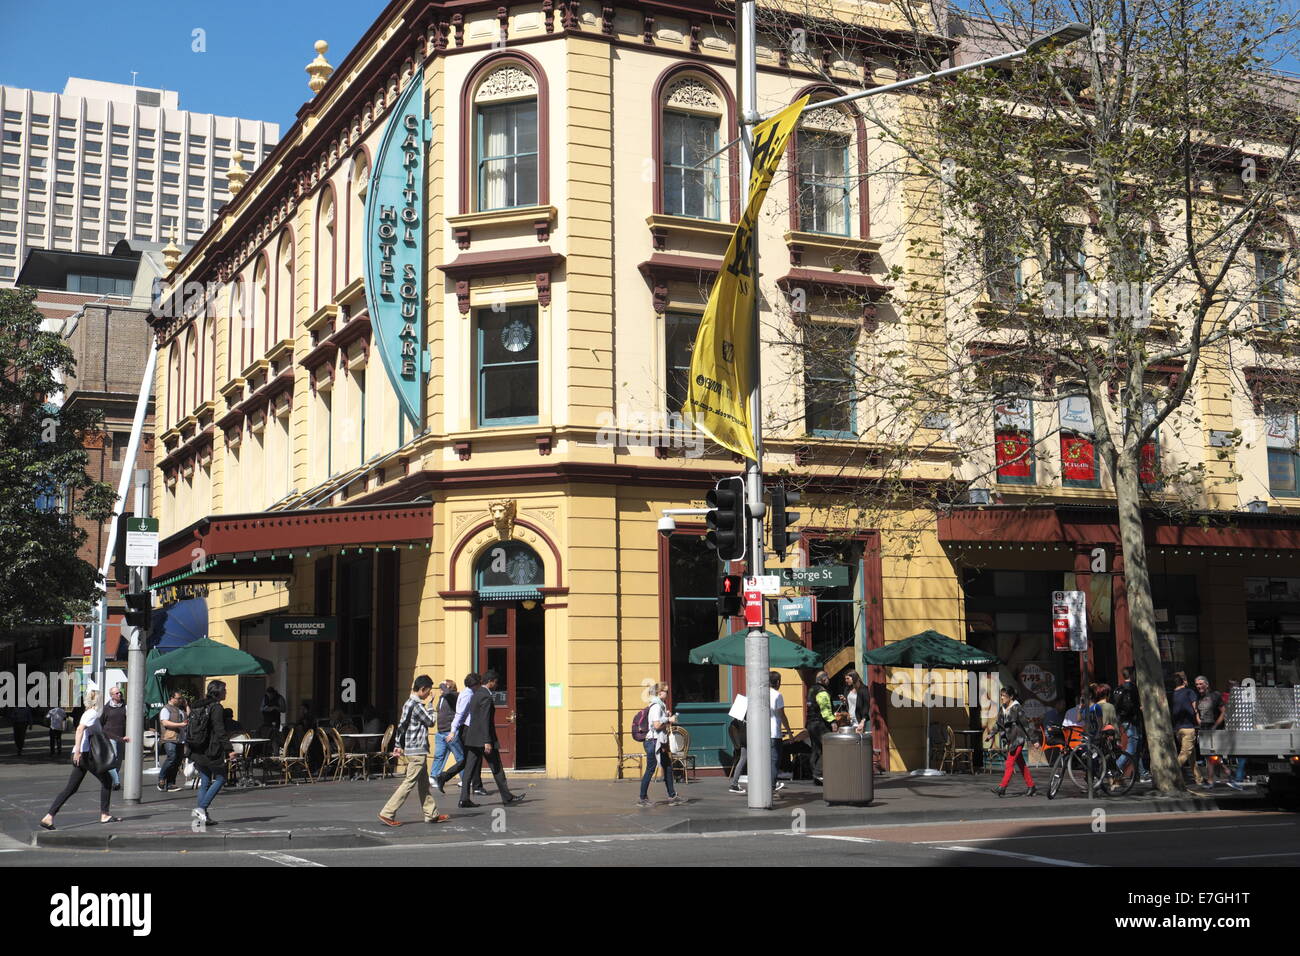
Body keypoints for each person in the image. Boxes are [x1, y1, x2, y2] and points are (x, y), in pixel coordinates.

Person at [39, 690, 123, 829]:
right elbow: (79, 730)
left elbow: (98, 732)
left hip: (81, 755)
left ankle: (49, 817)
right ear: (97, 701)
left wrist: (119, 738)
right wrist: (78, 751)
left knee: (71, 788)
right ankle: (105, 815)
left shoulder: (87, 713)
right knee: (107, 781)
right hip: (85, 755)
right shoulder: (92, 714)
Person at [378, 675, 449, 827]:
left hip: (413, 749)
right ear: (422, 689)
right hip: (417, 751)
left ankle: (432, 814)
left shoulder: (408, 703)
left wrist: (398, 744)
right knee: (409, 783)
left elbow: (402, 725)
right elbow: (430, 721)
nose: (428, 694)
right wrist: (430, 705)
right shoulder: (417, 705)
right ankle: (387, 812)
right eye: (428, 691)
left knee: (423, 784)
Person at [459, 671, 524, 809]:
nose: (496, 685)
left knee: (469, 769)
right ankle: (507, 798)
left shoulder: (476, 694)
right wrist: (487, 741)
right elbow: (485, 720)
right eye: (496, 682)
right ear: (491, 681)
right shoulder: (486, 697)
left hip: (472, 738)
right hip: (484, 739)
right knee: (497, 768)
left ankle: (464, 799)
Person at [728, 673, 793, 795]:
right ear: (777, 682)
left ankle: (737, 783)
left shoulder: (755, 694)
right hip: (765, 733)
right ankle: (769, 785)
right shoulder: (775, 695)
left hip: (752, 732)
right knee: (771, 759)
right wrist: (789, 732)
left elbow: (738, 713)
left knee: (749, 758)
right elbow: (781, 715)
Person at [190, 680, 236, 826]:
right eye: (224, 690)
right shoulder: (216, 707)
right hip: (211, 750)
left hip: (197, 748)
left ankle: (202, 817)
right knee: (221, 778)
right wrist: (229, 749)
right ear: (217, 692)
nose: (226, 692)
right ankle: (201, 808)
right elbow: (219, 730)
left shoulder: (198, 705)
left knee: (205, 781)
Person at [434, 673, 487, 796]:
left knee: (472, 758)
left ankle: (472, 787)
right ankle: (446, 777)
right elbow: (460, 714)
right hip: (467, 730)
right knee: (471, 759)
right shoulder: (467, 695)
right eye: (479, 683)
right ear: (474, 685)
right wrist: (453, 731)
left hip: (469, 729)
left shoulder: (467, 693)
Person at [637, 682, 683, 807]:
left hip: (658, 742)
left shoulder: (660, 706)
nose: (667, 694)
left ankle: (672, 795)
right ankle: (642, 798)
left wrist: (666, 716)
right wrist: (669, 719)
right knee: (651, 769)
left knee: (667, 767)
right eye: (666, 691)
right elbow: (656, 725)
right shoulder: (656, 706)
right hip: (653, 742)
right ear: (659, 693)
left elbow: (658, 723)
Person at [989, 688, 1036, 797]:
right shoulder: (1003, 708)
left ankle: (1002, 787)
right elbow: (998, 724)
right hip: (1011, 740)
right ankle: (1031, 786)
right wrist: (991, 734)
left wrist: (1034, 740)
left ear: (1011, 697)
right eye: (1001, 695)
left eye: (1004, 696)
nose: (1001, 698)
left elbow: (1026, 725)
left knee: (1009, 763)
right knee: (1021, 764)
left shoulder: (1017, 708)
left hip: (1018, 739)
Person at [428, 679, 466, 791]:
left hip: (451, 732)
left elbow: (448, 693)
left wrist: (442, 685)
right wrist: (431, 701)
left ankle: (466, 779)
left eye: (444, 685)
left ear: (449, 687)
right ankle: (434, 777)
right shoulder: (442, 697)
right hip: (440, 732)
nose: (441, 688)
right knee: (439, 755)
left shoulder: (454, 696)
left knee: (459, 757)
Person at [1170, 671, 1203, 787]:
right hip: (1189, 728)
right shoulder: (1189, 692)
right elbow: (1195, 709)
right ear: (1184, 681)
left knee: (1191, 755)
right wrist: (1199, 720)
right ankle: (1170, 773)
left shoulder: (1173, 694)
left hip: (1178, 730)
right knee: (1185, 753)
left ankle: (1198, 779)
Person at [1113, 667, 1146, 780]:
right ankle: (1116, 767)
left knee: (1136, 747)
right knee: (1131, 748)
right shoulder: (1133, 688)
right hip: (1133, 720)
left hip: (1124, 720)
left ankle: (1141, 774)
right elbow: (1135, 706)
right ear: (1132, 675)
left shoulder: (1119, 688)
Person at [1194, 675, 1224, 788]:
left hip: (1214, 729)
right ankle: (1223, 773)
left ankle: (1211, 779)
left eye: (1201, 684)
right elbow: (1197, 711)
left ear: (1207, 684)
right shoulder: (1199, 698)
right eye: (1197, 684)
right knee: (1208, 756)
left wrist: (1216, 725)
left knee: (1213, 755)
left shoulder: (1215, 695)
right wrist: (1198, 719)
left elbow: (1223, 712)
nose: (1199, 686)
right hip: (1204, 729)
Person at [806, 671, 835, 784]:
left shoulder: (812, 689)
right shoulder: (822, 692)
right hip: (820, 724)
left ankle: (815, 776)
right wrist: (832, 721)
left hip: (810, 723)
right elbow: (825, 710)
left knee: (816, 749)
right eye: (827, 678)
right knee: (828, 748)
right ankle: (818, 773)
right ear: (823, 679)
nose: (829, 680)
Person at [157, 691, 188, 792]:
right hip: (169, 738)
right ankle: (161, 778)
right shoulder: (166, 709)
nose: (180, 700)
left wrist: (186, 705)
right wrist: (180, 725)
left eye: (181, 699)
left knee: (177, 761)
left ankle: (171, 783)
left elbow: (188, 716)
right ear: (171, 698)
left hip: (180, 738)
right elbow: (165, 722)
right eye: (178, 698)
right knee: (172, 757)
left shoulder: (180, 710)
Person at [100, 686, 127, 790]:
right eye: (116, 693)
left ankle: (110, 779)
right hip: (110, 737)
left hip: (121, 737)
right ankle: (116, 782)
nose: (119, 694)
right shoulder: (106, 708)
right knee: (113, 758)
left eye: (120, 692)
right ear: (111, 695)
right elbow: (101, 723)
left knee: (119, 760)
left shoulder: (125, 706)